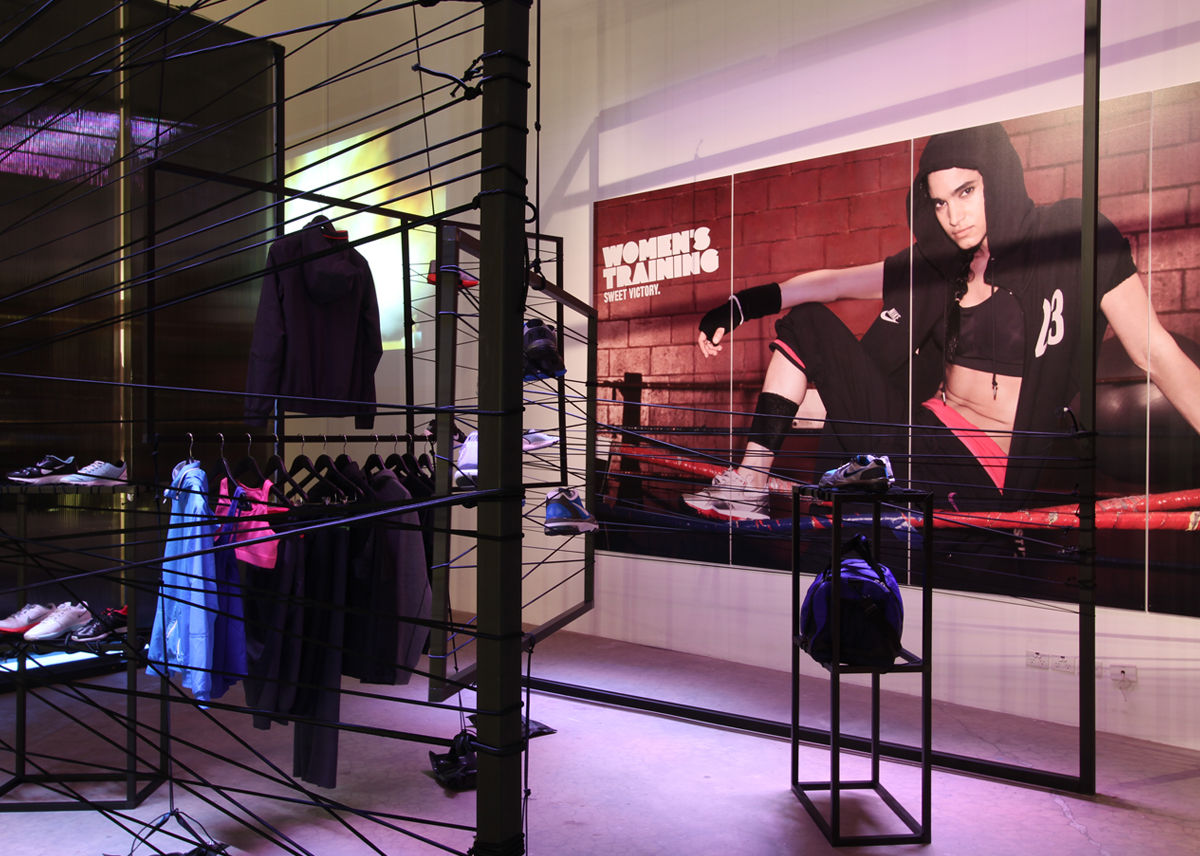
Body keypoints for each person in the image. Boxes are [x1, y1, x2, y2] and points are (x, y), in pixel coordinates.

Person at [686, 123, 1200, 521]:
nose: (953, 216)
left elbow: (1154, 351)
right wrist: (741, 305)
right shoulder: (942, 265)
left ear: (997, 180)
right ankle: (754, 482)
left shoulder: (1066, 236)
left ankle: (757, 483)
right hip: (919, 432)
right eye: (939, 202)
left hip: (977, 466)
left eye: (966, 192)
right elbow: (837, 283)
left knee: (806, 387)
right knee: (801, 352)